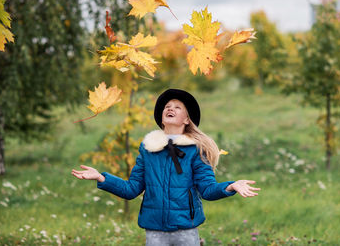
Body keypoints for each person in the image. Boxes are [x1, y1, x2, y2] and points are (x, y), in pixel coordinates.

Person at [71, 88, 260, 245]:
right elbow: (131, 189)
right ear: (162, 119)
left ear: (187, 119)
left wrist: (230, 186)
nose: (170, 109)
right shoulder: (148, 149)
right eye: (167, 107)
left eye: (177, 107)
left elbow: (208, 190)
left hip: (185, 228)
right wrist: (101, 178)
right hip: (154, 230)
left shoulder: (195, 151)